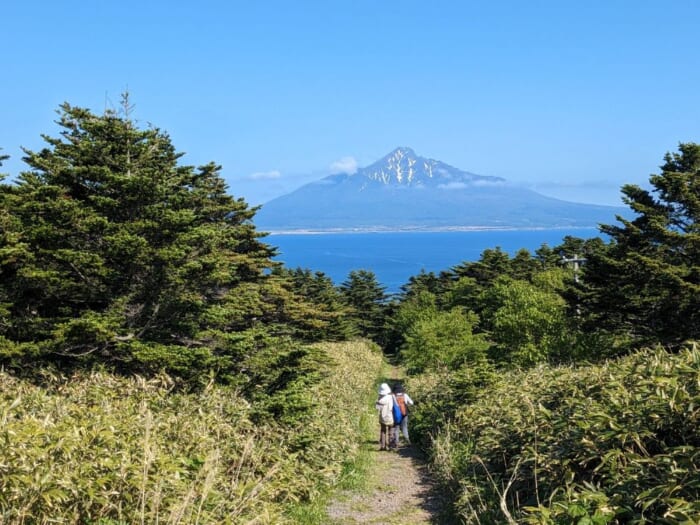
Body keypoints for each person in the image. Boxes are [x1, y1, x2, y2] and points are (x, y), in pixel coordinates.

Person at [375, 383, 394, 451]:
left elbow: (377, 408)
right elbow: (392, 407)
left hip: (382, 417)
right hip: (390, 417)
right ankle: (391, 446)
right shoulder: (390, 397)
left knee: (383, 431)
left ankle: (383, 446)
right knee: (391, 431)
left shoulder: (379, 399)